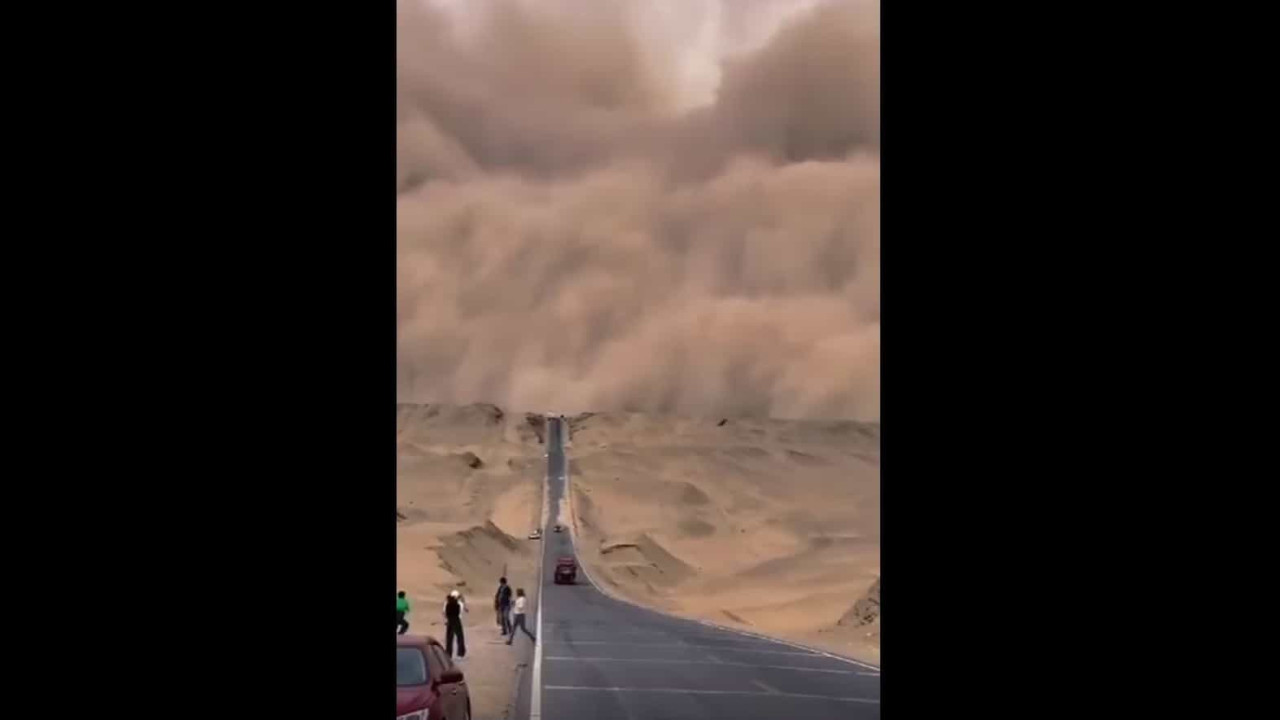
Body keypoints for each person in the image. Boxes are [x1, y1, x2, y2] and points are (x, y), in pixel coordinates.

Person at [443, 589, 467, 658]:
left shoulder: (447, 604)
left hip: (450, 621)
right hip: (456, 620)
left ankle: (449, 652)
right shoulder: (458, 604)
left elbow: (445, 613)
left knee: (449, 638)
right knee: (460, 636)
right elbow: (459, 612)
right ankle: (461, 652)